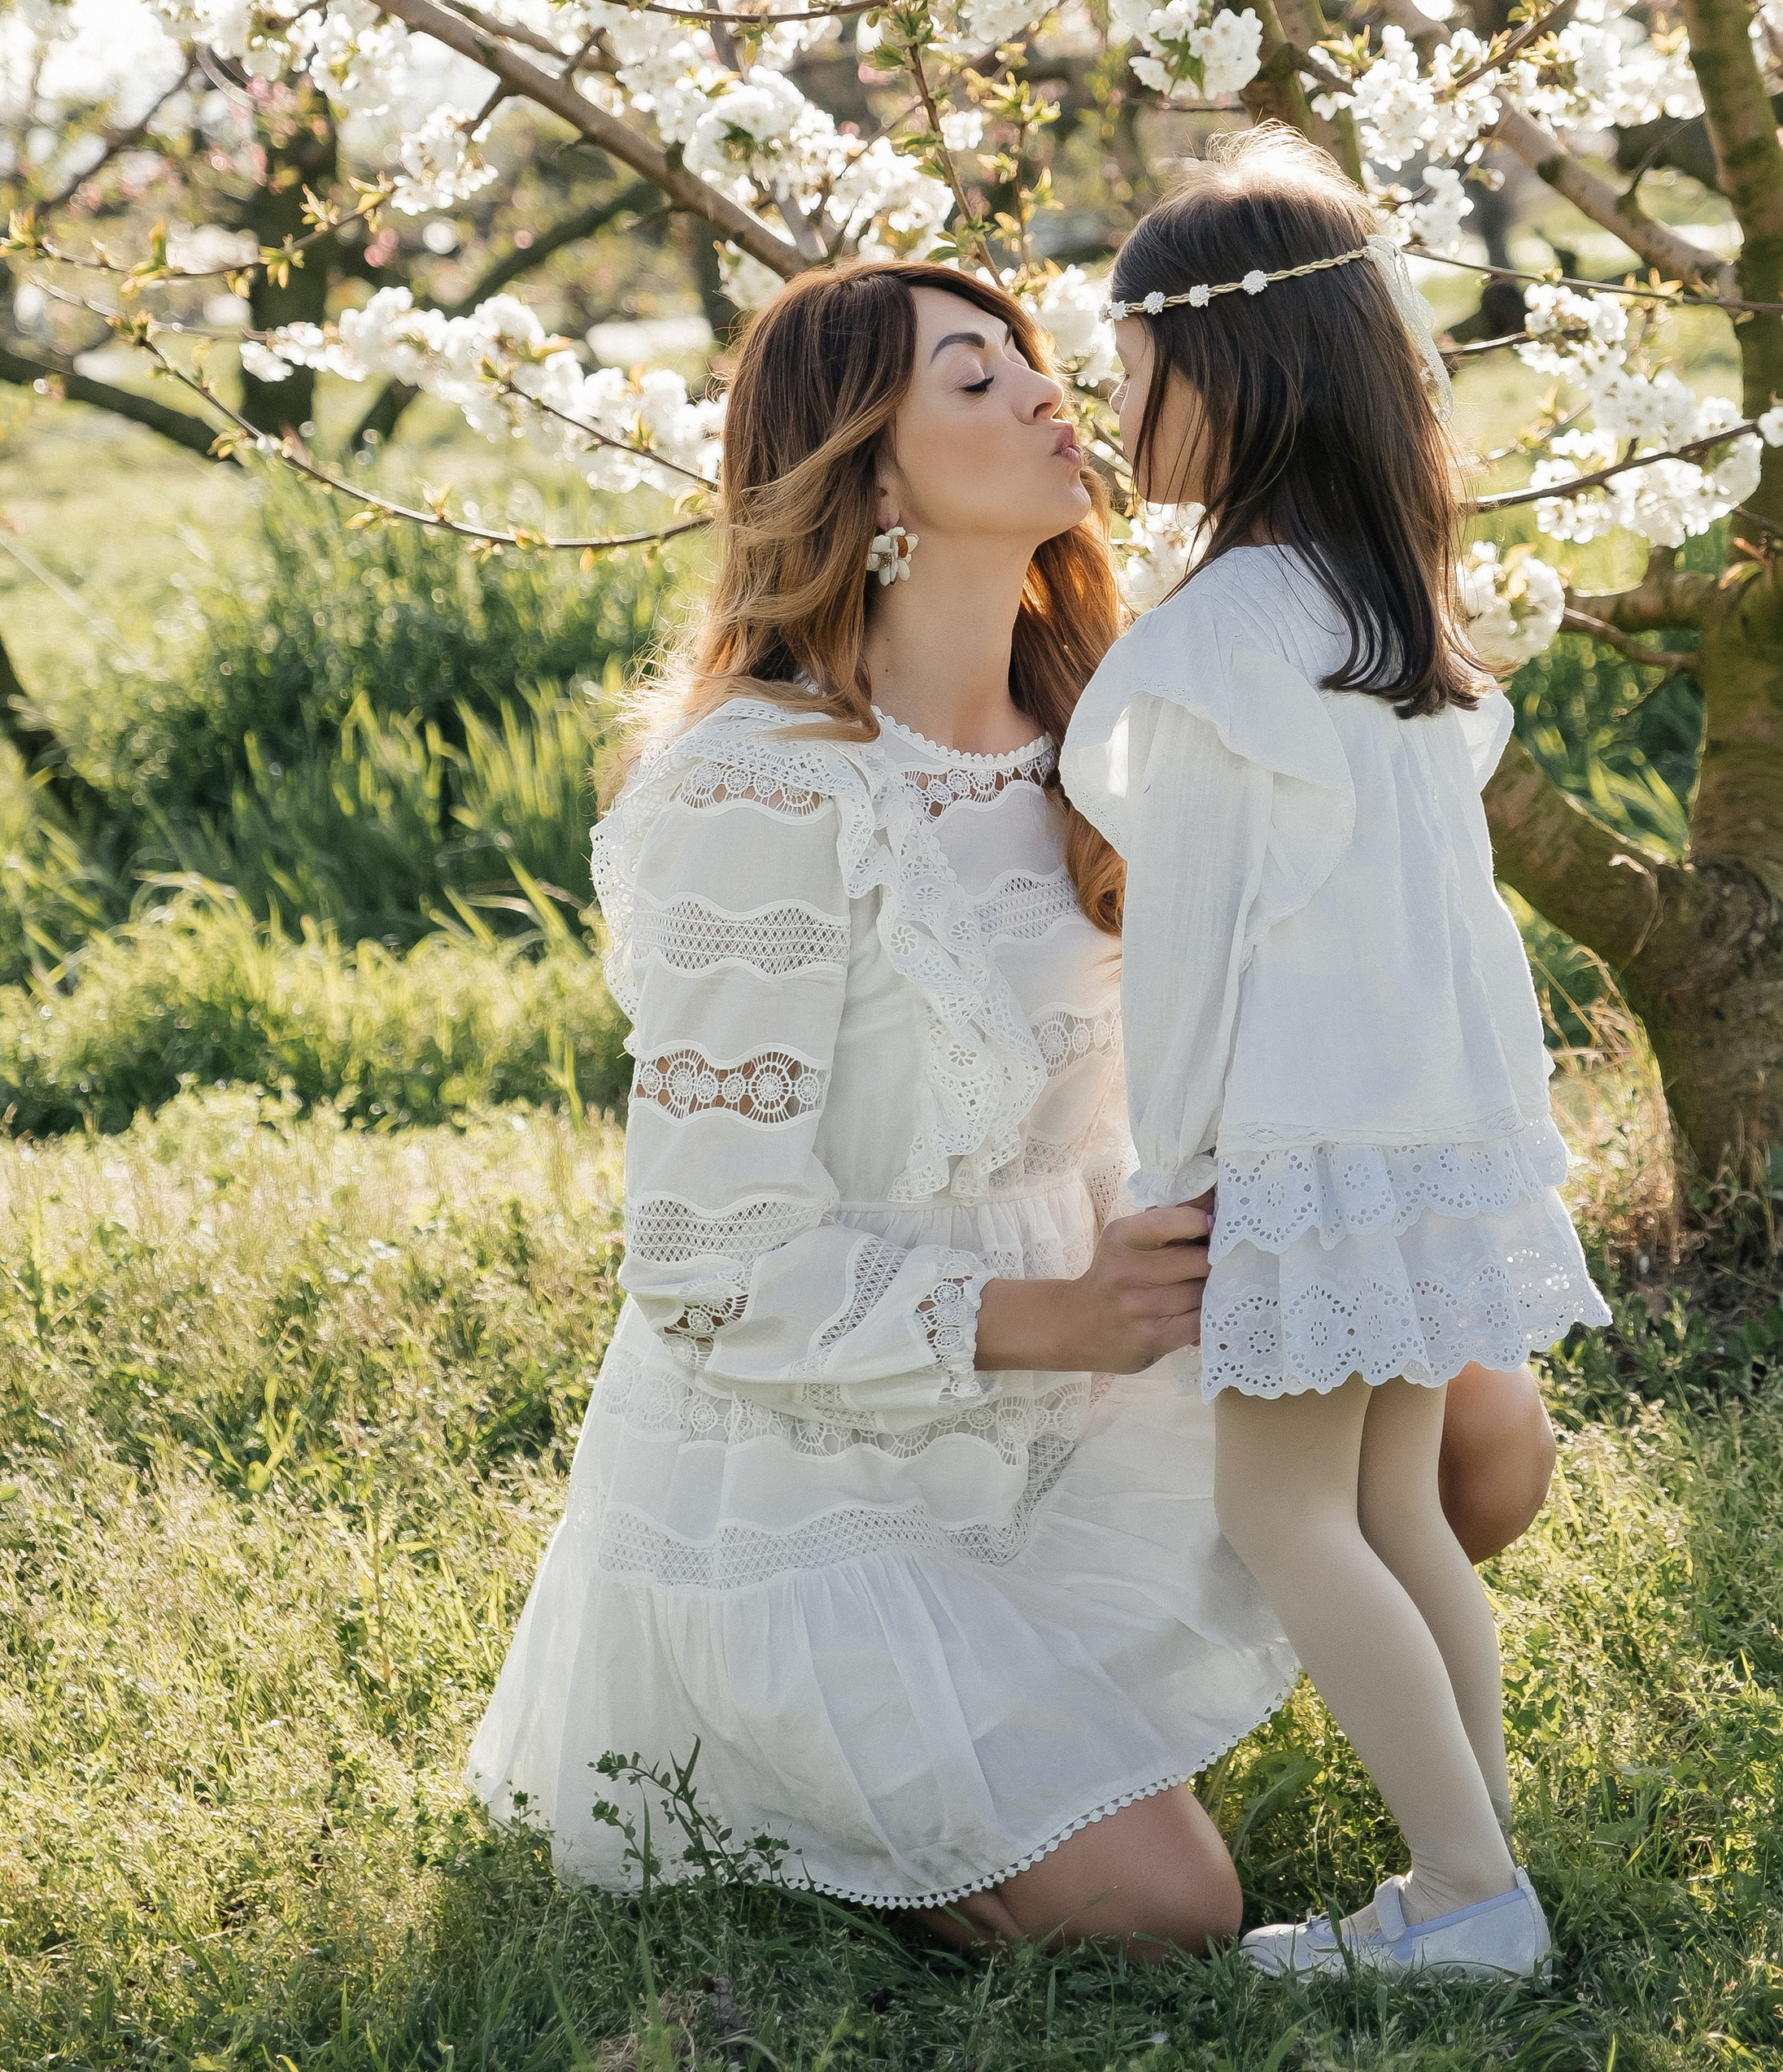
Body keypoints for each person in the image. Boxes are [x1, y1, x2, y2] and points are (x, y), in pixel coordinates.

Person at [469, 256, 1559, 1956]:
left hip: (1091, 1348)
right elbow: (702, 1265)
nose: (1050, 394)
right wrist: (1063, 1316)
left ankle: (1221, 1752)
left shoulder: (1108, 722)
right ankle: (822, 1784)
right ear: (868, 475)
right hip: (833, 1458)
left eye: (1038, 362)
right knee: (1162, 1913)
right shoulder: (760, 791)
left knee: (1475, 1425)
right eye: (972, 381)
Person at [1062, 133, 1610, 1983]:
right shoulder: (1395, 636)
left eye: (1129, 370)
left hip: (1288, 1142)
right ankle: (1475, 1874)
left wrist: (1182, 1166)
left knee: (1281, 1510)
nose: (1111, 407)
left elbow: (1197, 953)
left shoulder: (1214, 643)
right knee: (1385, 1508)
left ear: (1231, 377)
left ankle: (1468, 1894)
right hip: (1421, 1123)